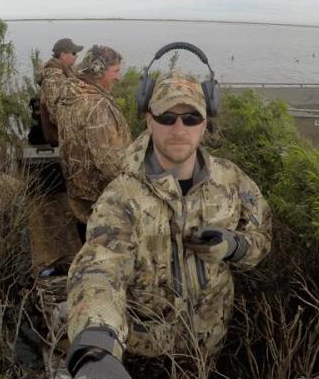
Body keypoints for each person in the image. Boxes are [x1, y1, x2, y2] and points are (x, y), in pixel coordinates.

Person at [65, 70, 272, 378]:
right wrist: (96, 348)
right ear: (149, 120)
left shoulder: (232, 180)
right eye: (167, 117)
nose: (179, 128)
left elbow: (263, 237)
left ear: (205, 123)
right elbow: (100, 269)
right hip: (144, 358)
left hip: (208, 347)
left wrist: (235, 246)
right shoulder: (123, 196)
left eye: (191, 118)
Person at [57, 45, 132, 226]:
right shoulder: (98, 107)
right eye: (115, 71)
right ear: (98, 70)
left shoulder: (69, 94)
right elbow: (111, 166)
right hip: (99, 204)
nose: (118, 77)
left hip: (77, 196)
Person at [39, 38, 84, 146]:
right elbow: (56, 115)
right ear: (63, 55)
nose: (76, 56)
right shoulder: (54, 79)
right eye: (73, 53)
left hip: (68, 133)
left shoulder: (66, 70)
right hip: (61, 137)